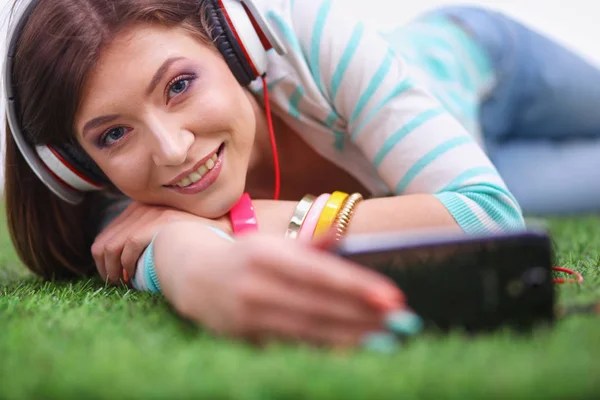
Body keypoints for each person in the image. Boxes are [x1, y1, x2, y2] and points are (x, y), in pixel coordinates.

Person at [3, 0, 598, 347]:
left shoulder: (306, 28)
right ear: (76, 166)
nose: (173, 148)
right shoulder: (125, 198)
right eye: (113, 134)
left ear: (232, 44)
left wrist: (256, 221)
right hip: (483, 164)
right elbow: (185, 256)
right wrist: (198, 269)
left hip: (488, 65)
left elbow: (489, 217)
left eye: (179, 85)